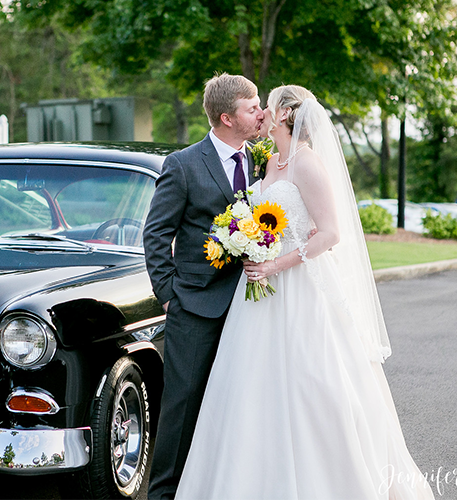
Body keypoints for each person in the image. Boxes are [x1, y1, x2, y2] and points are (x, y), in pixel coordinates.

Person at [173, 85, 436, 500]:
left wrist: (274, 263)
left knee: (314, 385)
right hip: (258, 294)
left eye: (267, 106)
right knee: (249, 388)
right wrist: (248, 241)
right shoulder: (271, 161)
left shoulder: (307, 163)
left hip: (299, 288)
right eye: (255, 107)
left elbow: (331, 233)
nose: (261, 112)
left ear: (286, 114)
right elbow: (271, 220)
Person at [142, 73, 265, 500]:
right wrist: (170, 295)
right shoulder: (183, 164)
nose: (261, 114)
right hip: (195, 306)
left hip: (253, 305)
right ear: (227, 117)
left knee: (239, 402)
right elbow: (156, 234)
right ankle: (162, 494)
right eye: (253, 108)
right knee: (182, 405)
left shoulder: (262, 159)